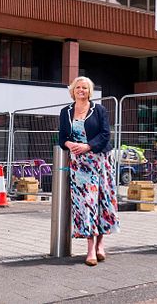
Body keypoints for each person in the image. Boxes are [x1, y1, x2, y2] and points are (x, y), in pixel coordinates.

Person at [58, 76, 119, 266]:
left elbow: (105, 135)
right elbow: (61, 137)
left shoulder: (99, 110)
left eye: (84, 88)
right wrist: (68, 143)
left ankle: (100, 245)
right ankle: (90, 248)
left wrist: (88, 146)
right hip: (79, 166)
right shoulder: (65, 111)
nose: (81, 90)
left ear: (89, 91)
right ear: (73, 90)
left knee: (102, 202)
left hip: (100, 161)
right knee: (86, 204)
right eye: (78, 87)